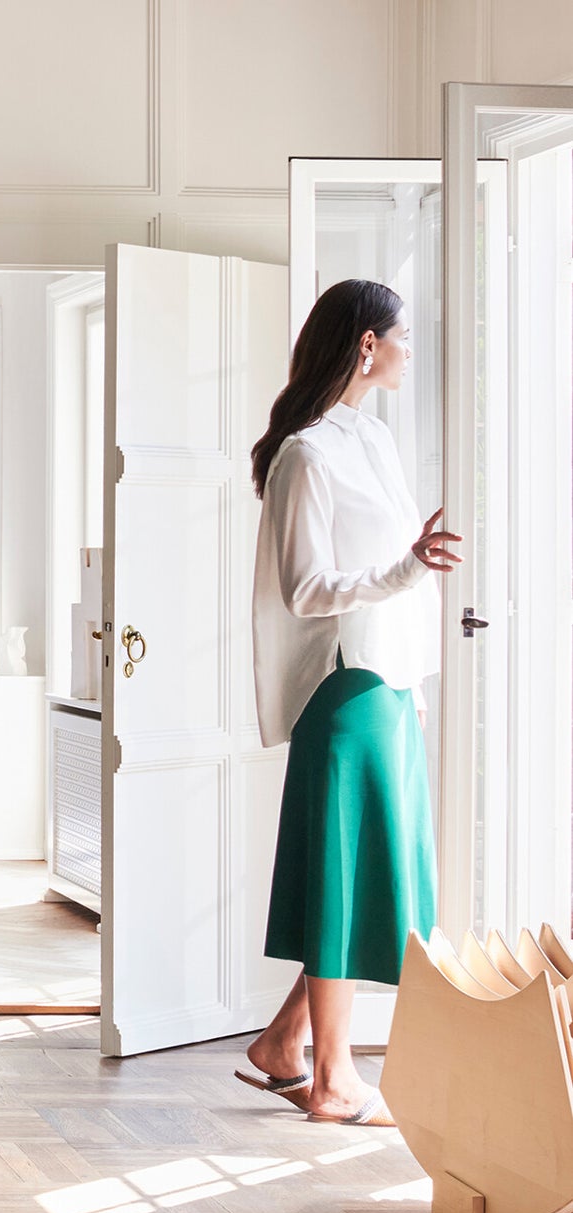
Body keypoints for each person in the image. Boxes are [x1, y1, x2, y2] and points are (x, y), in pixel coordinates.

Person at [235, 278, 459, 1126]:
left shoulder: (371, 439)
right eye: (403, 335)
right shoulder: (306, 455)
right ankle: (331, 1080)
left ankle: (282, 1046)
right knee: (345, 880)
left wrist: (414, 682)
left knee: (368, 880)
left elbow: (396, 588)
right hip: (344, 693)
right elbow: (305, 588)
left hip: (386, 688)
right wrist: (409, 564)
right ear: (367, 343)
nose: (411, 350)